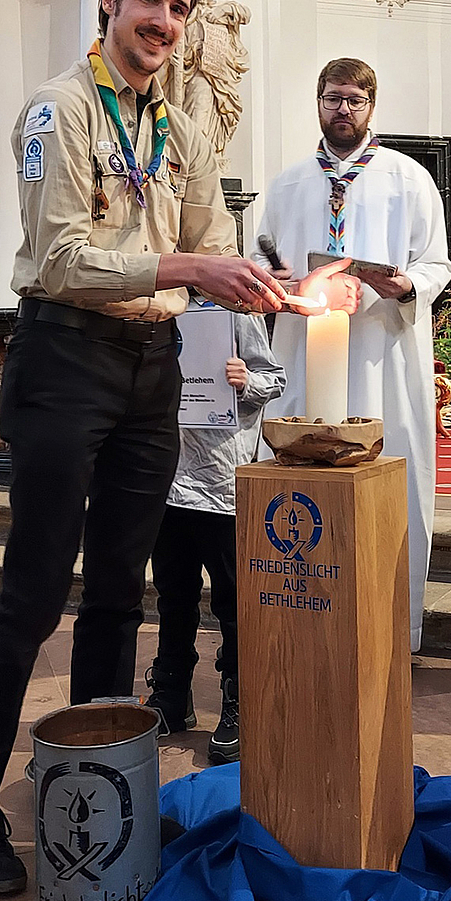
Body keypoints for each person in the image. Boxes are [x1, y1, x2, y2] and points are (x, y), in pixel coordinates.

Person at [0, 0, 357, 896]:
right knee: (35, 593)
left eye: (180, 8)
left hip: (153, 363)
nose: (165, 21)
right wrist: (194, 264)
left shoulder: (183, 123)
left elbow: (207, 235)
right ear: (111, 0)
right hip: (65, 356)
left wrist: (270, 286)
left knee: (123, 592)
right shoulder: (59, 110)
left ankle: (91, 780)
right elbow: (66, 254)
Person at [253, 57, 451, 653]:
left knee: (392, 479)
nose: (343, 110)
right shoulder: (287, 183)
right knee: (304, 476)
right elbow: (262, 261)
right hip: (304, 353)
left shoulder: (408, 177)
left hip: (381, 354)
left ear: (372, 105)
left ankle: (393, 631)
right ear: (318, 102)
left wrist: (403, 285)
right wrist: (276, 279)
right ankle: (305, 621)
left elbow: (438, 262)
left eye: (355, 100)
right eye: (333, 98)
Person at [144, 303, 285, 765]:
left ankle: (238, 700)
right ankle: (170, 695)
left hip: (222, 480)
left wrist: (247, 380)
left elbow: (274, 377)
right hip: (168, 475)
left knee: (233, 598)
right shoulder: (159, 305)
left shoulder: (234, 312)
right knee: (173, 593)